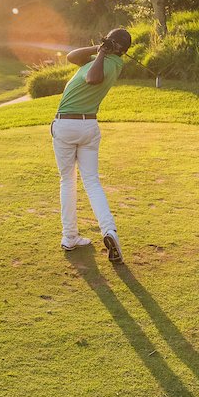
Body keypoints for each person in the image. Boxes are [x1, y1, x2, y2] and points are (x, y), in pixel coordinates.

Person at [51, 27, 132, 263]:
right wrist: (98, 48)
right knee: (91, 182)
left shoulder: (109, 64)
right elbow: (72, 56)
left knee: (69, 181)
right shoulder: (101, 58)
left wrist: (102, 53)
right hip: (86, 127)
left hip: (68, 125)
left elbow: (92, 79)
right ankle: (106, 231)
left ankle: (71, 236)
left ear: (118, 49)